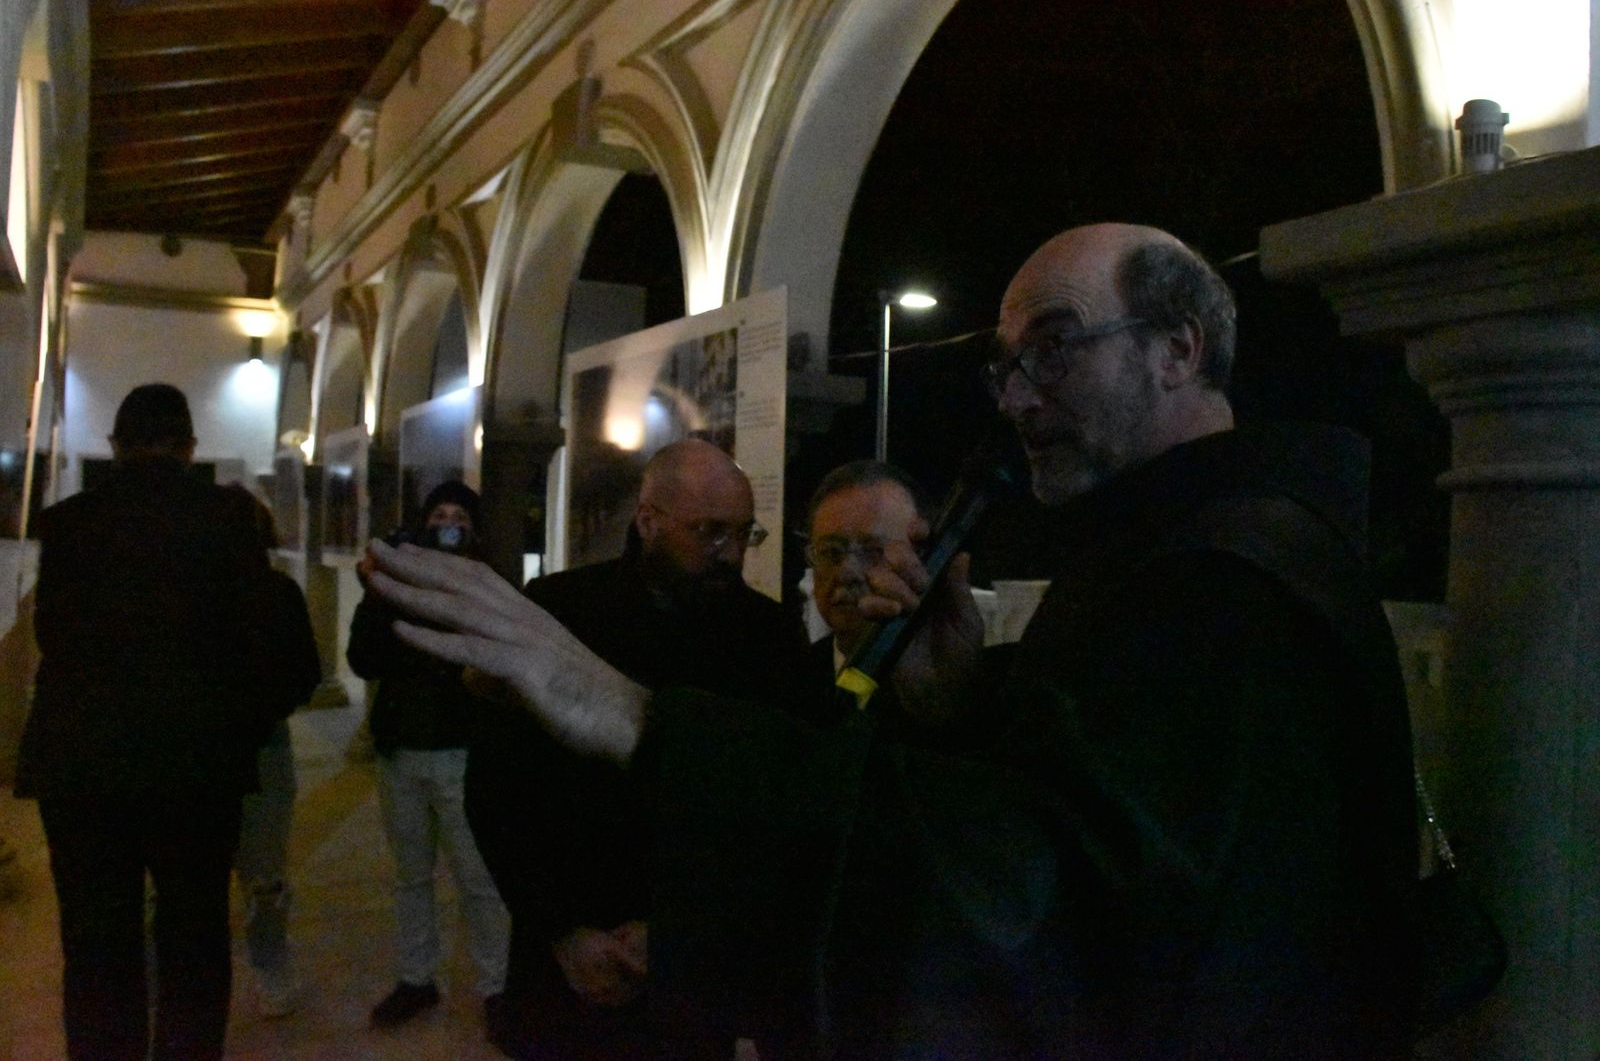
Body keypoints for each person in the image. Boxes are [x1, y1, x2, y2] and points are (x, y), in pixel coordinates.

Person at [365, 223, 1420, 1058]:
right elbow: (1088, 835)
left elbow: (1021, 907)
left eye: (1051, 350)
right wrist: (960, 698)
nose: (1014, 398)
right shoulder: (1175, 552)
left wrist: (635, 716)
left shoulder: (1223, 584)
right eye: (1003, 365)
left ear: (1177, 349)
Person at [463, 437, 813, 1059]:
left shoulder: (771, 635)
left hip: (694, 968)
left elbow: (775, 805)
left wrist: (682, 931)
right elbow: (499, 788)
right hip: (564, 959)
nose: (731, 555)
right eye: (710, 532)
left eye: (744, 534)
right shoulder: (557, 614)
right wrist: (563, 929)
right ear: (649, 521)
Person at [17, 383, 272, 1061]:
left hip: (84, 762)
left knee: (98, 943)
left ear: (115, 445)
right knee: (193, 936)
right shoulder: (227, 518)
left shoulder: (70, 521)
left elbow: (53, 632)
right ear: (188, 447)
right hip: (194, 762)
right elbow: (255, 642)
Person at [347, 480, 509, 1034]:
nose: (448, 524)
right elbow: (363, 660)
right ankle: (416, 978)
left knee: (478, 878)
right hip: (402, 753)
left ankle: (497, 988)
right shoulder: (398, 586)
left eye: (458, 516)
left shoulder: (488, 586)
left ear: (474, 528)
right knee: (410, 876)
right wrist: (376, 591)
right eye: (438, 515)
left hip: (463, 753)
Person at [230, 493, 321, 1018]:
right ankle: (267, 965)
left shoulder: (276, 593)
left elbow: (303, 671)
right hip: (258, 741)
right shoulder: (277, 591)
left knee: (259, 870)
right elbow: (304, 674)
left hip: (248, 743)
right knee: (261, 870)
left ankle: (264, 963)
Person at [803, 459, 926, 674]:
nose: (845, 573)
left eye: (873, 551)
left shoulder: (957, 686)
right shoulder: (786, 680)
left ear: (922, 557)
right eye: (831, 551)